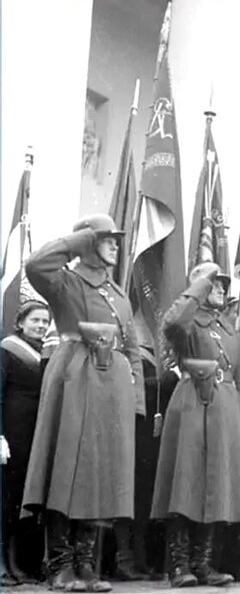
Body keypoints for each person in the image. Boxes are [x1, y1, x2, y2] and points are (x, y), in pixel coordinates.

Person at [22, 214, 145, 593]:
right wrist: (80, 240)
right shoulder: (66, 281)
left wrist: (136, 399)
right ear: (90, 241)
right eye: (107, 238)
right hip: (74, 378)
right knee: (66, 470)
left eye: (115, 239)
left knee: (99, 474)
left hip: (111, 388)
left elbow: (131, 349)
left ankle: (84, 563)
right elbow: (35, 264)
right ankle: (59, 565)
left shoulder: (119, 294)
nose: (115, 245)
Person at [150, 262, 240, 587]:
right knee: (187, 483)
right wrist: (199, 286)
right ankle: (179, 565)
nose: (220, 287)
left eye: (223, 283)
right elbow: (172, 323)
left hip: (225, 409)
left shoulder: (230, 330)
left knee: (216, 486)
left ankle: (203, 563)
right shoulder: (188, 323)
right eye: (214, 283)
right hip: (192, 402)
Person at [1, 300, 51, 585]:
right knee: (8, 501)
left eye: (45, 321)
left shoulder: (46, 354)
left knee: (29, 503)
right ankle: (4, 564)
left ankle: (26, 563)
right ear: (20, 322)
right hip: (12, 437)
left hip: (36, 436)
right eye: (35, 320)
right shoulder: (7, 350)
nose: (41, 326)